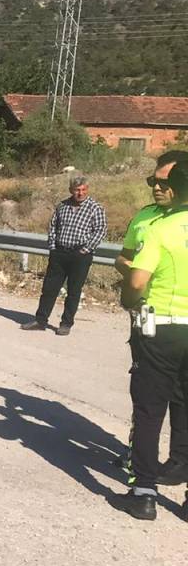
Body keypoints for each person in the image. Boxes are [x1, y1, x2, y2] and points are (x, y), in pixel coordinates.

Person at [117, 154, 188, 520]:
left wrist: (131, 299)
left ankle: (143, 490)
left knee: (148, 408)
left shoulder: (162, 229)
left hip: (160, 326)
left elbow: (137, 280)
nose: (158, 188)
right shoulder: (148, 218)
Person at [21, 176, 107, 336]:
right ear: (71, 190)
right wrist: (53, 247)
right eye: (77, 190)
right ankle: (40, 320)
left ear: (87, 190)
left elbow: (100, 230)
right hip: (59, 253)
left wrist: (86, 249)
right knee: (49, 289)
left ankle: (66, 323)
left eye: (83, 190)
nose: (80, 193)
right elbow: (53, 226)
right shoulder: (63, 205)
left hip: (80, 255)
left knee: (73, 291)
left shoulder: (95, 208)